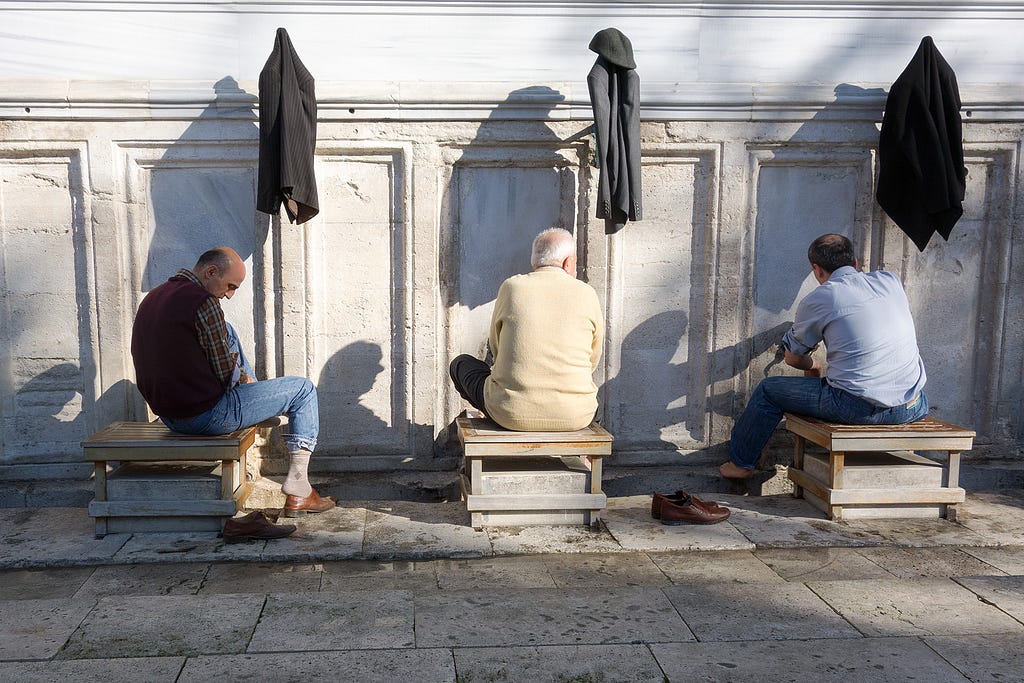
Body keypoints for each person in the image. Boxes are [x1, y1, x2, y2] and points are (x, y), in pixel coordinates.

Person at [131, 246, 335, 533]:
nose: (229, 295)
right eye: (229, 287)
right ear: (210, 272)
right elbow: (224, 371)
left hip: (171, 415)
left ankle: (254, 399)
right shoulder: (203, 303)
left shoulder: (155, 296)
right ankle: (300, 487)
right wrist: (239, 379)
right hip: (205, 416)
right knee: (303, 389)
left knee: (227, 330)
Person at [720, 233, 929, 479]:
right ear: (855, 263)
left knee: (768, 390)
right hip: (912, 404)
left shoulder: (822, 297)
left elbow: (792, 358)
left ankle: (741, 464)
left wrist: (815, 364)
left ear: (817, 270)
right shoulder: (890, 281)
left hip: (857, 408)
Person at [449, 228, 604, 431]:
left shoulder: (511, 287)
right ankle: (584, 459)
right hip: (576, 415)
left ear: (535, 262)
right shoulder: (587, 293)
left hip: (510, 414)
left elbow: (497, 349)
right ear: (568, 263)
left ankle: (492, 417)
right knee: (593, 401)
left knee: (460, 364)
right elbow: (593, 358)